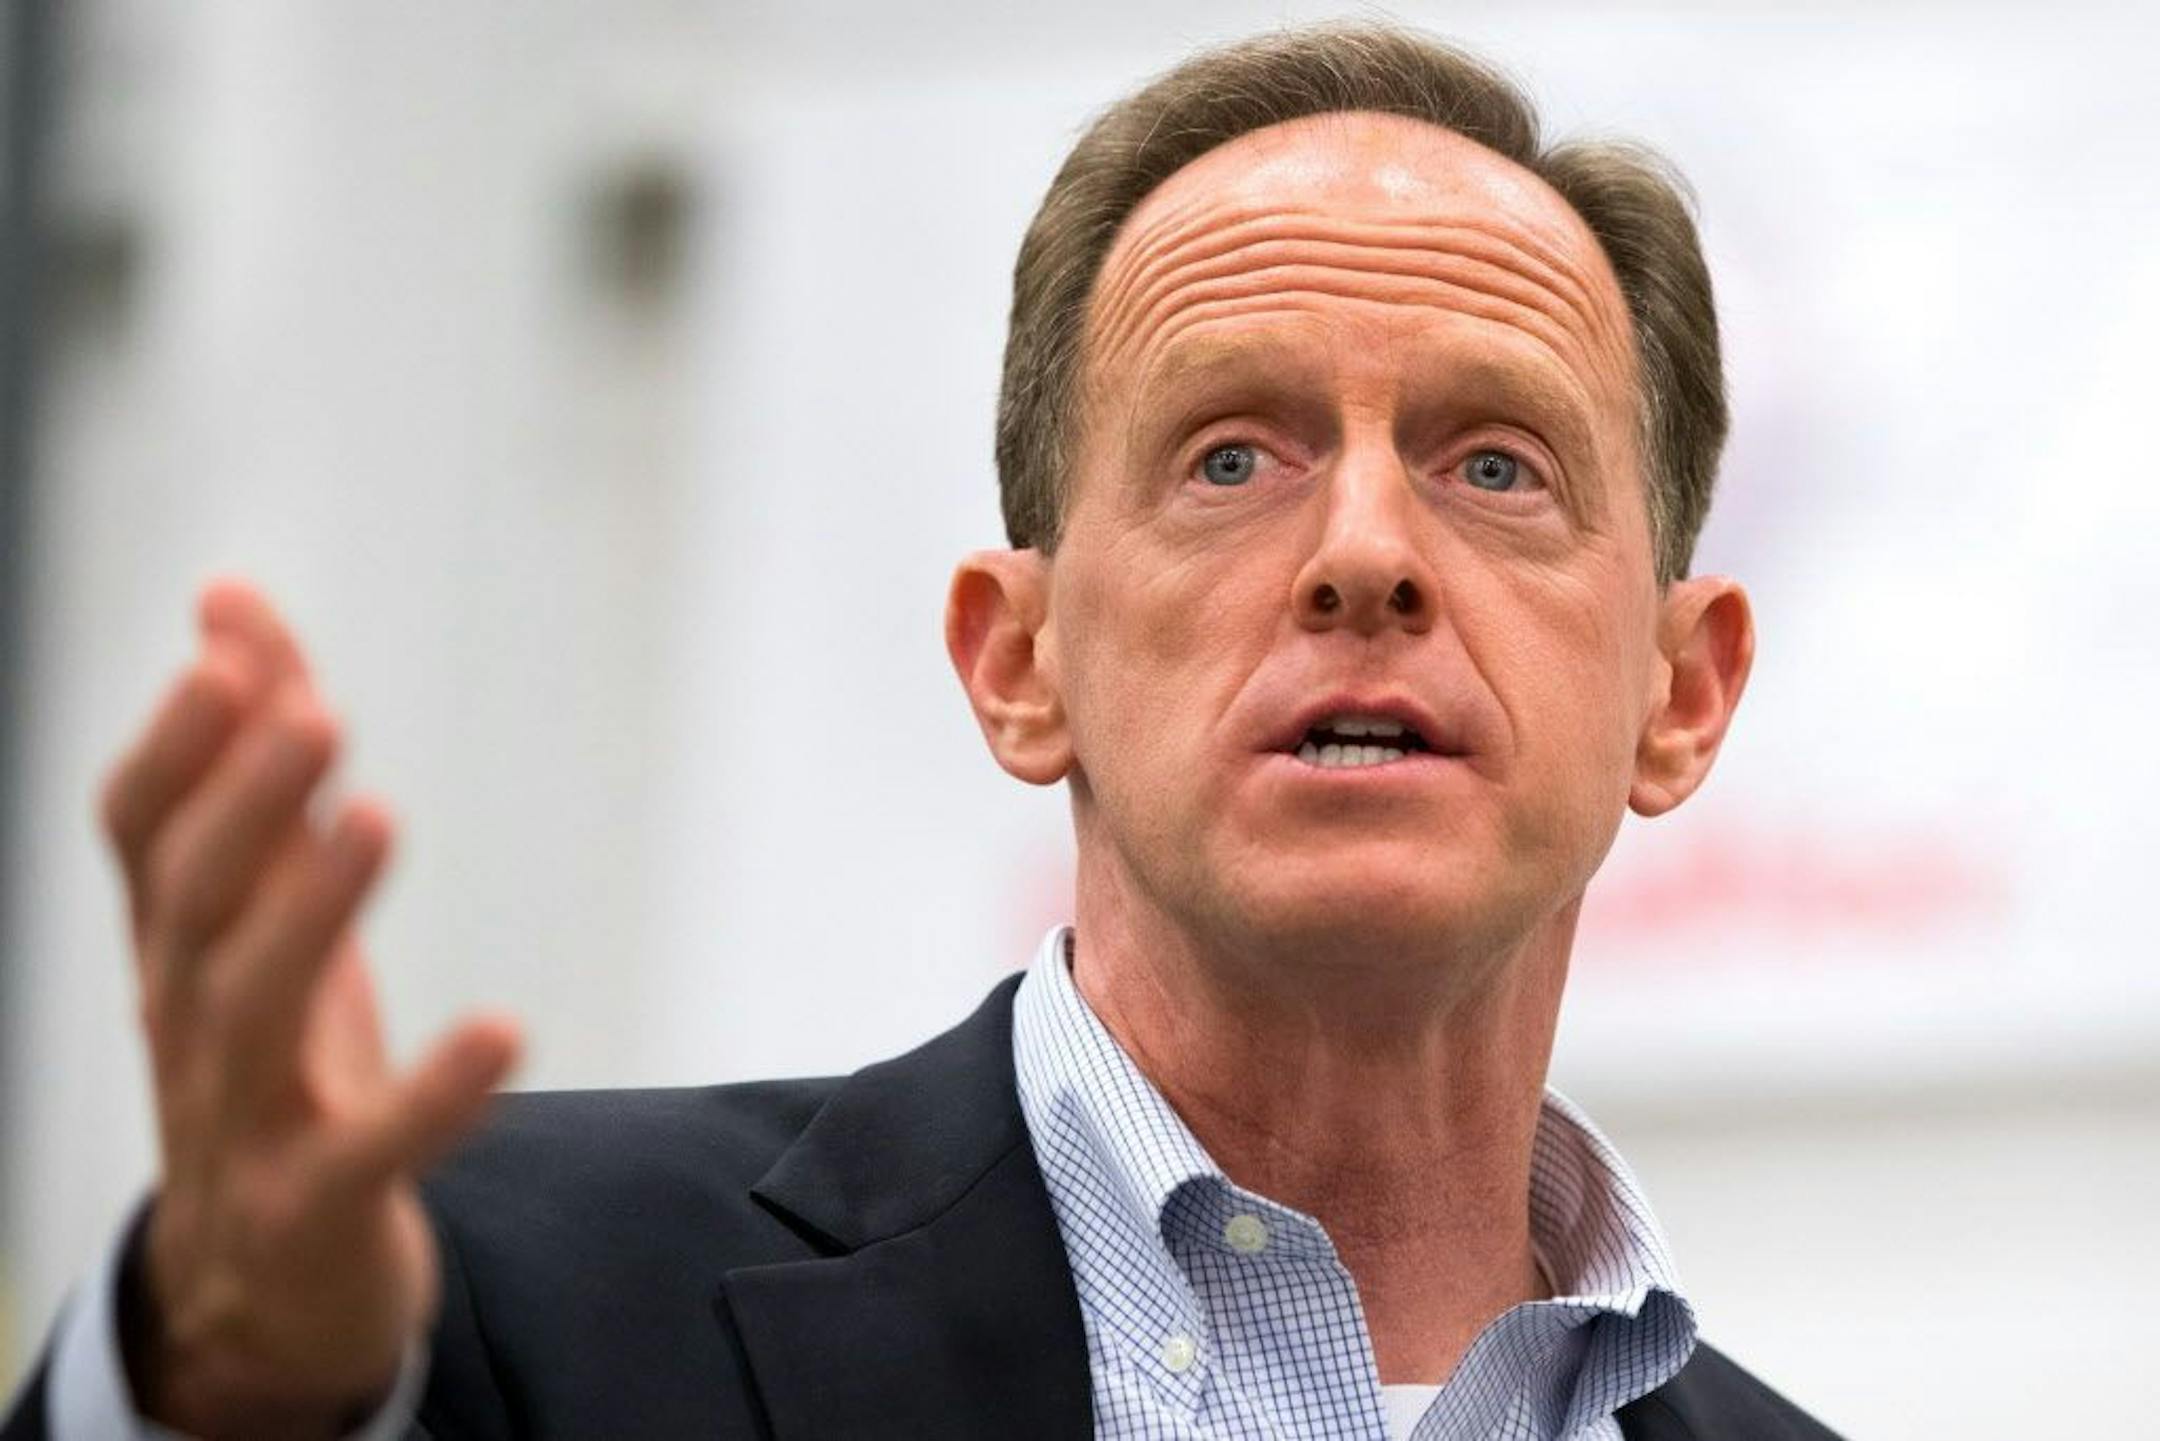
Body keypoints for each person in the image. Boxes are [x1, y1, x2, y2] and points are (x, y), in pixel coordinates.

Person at [3, 22, 1844, 1441]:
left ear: (1679, 694)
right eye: (1230, 457)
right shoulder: (495, 1306)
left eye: (1496, 463)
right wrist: (223, 1394)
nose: (1366, 555)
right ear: (1017, 661)